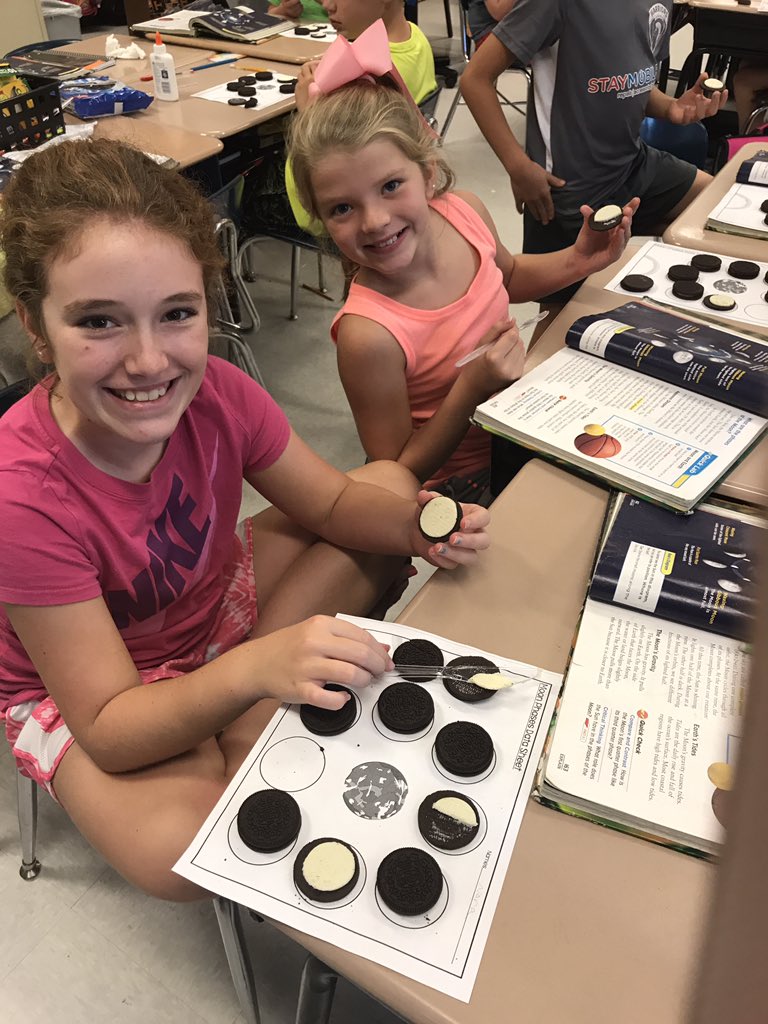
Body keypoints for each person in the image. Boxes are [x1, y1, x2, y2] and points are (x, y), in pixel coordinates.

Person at [0, 138, 491, 901]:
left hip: (203, 612)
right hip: (93, 687)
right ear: (35, 326)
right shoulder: (21, 496)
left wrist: (416, 527)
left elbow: (330, 501)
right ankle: (249, 709)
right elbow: (106, 722)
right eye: (99, 322)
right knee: (188, 851)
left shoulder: (220, 394)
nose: (147, 362)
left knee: (390, 484)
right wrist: (256, 672)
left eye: (176, 314)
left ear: (208, 302)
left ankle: (241, 718)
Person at [288, 77, 638, 505]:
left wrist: (581, 259)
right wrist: (472, 387)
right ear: (320, 218)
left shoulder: (463, 212)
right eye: (342, 208)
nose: (375, 220)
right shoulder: (368, 335)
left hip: (525, 418)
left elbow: (508, 276)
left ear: (428, 174)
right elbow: (396, 471)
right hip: (465, 481)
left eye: (390, 186)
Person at [460, 0, 728, 330]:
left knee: (722, 203)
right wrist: (517, 164)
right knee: (559, 328)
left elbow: (635, 80)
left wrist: (672, 107)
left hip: (634, 163)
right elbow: (475, 79)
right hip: (570, 188)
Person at [284, 2, 438, 235]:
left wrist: (308, 114)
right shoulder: (414, 38)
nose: (328, 5)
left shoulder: (365, 77)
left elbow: (311, 216)